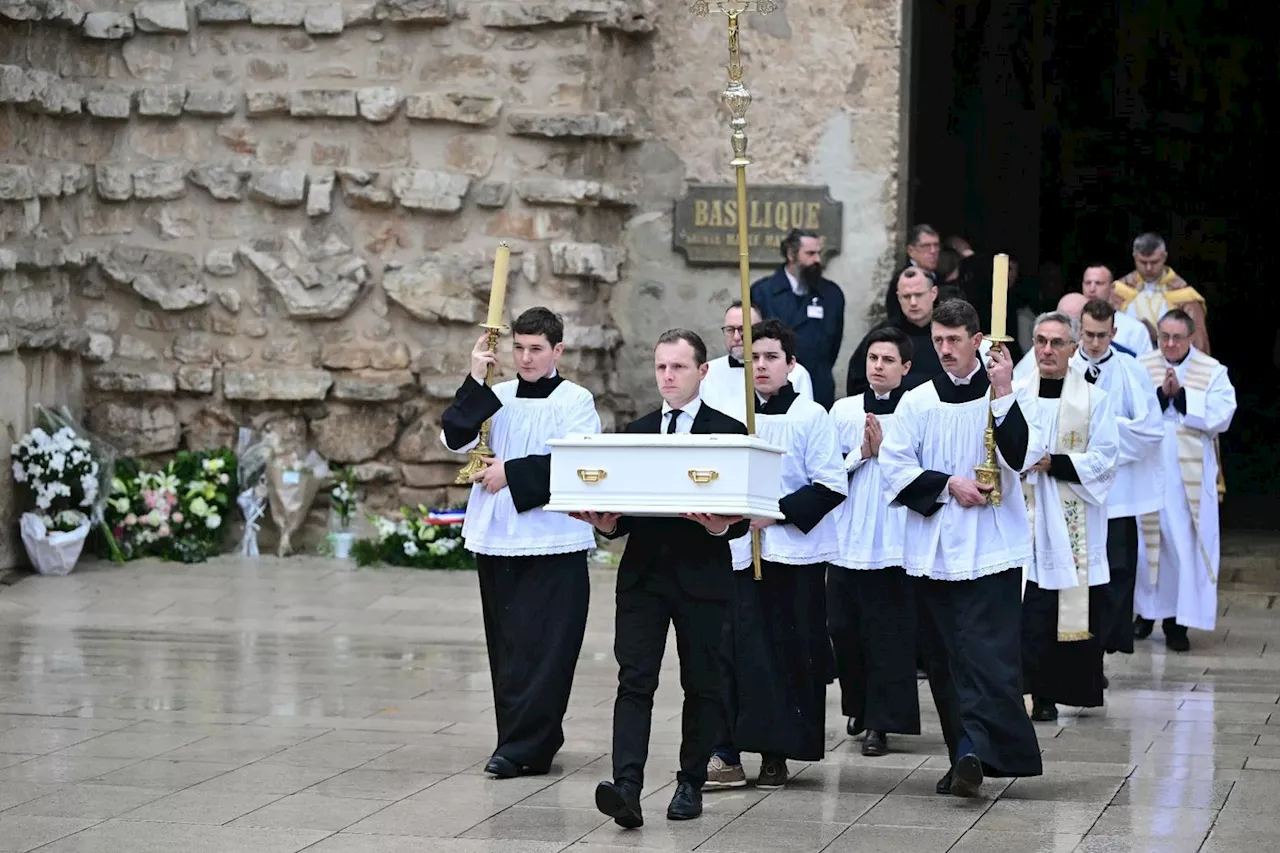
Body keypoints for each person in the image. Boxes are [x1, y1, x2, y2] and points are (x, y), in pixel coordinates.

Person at [574, 330, 750, 829]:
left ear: (702, 371)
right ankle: (626, 786)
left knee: (702, 683)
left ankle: (690, 782)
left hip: (703, 577)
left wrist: (723, 525)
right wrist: (607, 523)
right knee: (634, 681)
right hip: (644, 578)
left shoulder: (728, 431)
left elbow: (744, 508)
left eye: (678, 367)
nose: (668, 377)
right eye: (661, 367)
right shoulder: (638, 430)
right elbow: (628, 508)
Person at [878, 298, 1043, 797]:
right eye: (938, 341)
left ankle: (978, 750)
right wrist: (950, 483)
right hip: (934, 551)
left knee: (986, 657)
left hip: (992, 547)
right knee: (946, 659)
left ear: (978, 341)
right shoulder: (918, 401)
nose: (945, 350)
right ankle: (962, 755)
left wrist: (1004, 391)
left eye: (954, 341)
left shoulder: (1008, 393)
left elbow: (1022, 456)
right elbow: (894, 466)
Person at [439, 306, 600, 778]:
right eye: (519, 348)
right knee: (508, 644)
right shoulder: (498, 394)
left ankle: (532, 744)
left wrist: (512, 472)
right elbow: (454, 438)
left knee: (549, 644)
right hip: (497, 535)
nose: (526, 358)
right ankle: (514, 739)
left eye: (536, 349)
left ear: (557, 351)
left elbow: (579, 462)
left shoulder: (577, 400)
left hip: (555, 537)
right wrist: (474, 379)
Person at [709, 319, 846, 790]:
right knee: (733, 651)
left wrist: (776, 514)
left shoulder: (810, 417)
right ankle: (725, 751)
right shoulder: (732, 415)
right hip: (739, 554)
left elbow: (831, 485)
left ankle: (776, 752)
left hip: (791, 556)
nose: (761, 366)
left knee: (785, 653)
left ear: (791, 364)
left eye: (770, 357)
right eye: (754, 358)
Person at [1018, 311, 1119, 723]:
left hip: (1068, 516)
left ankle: (1050, 693)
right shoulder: (1014, 394)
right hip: (1022, 517)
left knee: (1061, 608)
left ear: (1073, 348)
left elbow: (1107, 458)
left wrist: (1053, 463)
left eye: (1057, 342)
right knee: (1028, 609)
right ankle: (1022, 691)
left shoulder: (1094, 399)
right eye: (1041, 340)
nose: (1046, 349)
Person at [829, 326, 919, 757]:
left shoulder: (917, 411)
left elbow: (922, 469)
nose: (878, 367)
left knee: (888, 633)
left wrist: (885, 454)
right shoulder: (843, 411)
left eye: (887, 360)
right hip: (849, 534)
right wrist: (860, 455)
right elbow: (826, 470)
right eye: (872, 359)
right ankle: (858, 705)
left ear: (906, 367)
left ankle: (881, 723)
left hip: (894, 536)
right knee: (844, 629)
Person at [1133, 309, 1236, 651]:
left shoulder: (1211, 369)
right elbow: (1126, 411)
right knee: (1146, 544)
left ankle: (1177, 623)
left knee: (1183, 545)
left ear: (1191, 337)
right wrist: (1161, 396)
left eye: (1178, 337)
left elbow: (1223, 414)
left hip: (1188, 477)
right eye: (1164, 337)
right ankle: (1144, 614)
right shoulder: (1140, 365)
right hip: (1148, 469)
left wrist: (1183, 397)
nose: (1171, 344)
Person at [1071, 299, 1164, 658]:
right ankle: (1081, 649)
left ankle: (1107, 642)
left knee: (1118, 568)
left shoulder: (1131, 369)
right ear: (1079, 329)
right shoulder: (1059, 365)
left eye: (1102, 336)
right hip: (1075, 486)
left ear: (1114, 332)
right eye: (1088, 334)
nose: (1094, 343)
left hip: (1118, 489)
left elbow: (1149, 430)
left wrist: (1104, 437)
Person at [750, 229, 845, 408]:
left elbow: (834, 344)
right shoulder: (762, 292)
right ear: (791, 254)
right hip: (774, 388)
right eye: (810, 253)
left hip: (818, 385)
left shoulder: (832, 294)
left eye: (819, 253)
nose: (817, 260)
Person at [702, 300, 813, 423]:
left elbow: (804, 418)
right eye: (730, 329)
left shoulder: (796, 372)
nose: (737, 337)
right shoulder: (708, 372)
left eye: (744, 329)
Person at [848, 268, 942, 396]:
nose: (913, 302)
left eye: (919, 295)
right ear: (898, 297)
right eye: (906, 296)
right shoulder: (882, 335)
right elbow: (857, 383)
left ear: (933, 293)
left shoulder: (949, 333)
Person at [1113, 233, 1211, 353]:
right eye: (1143, 262)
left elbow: (1198, 344)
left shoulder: (1185, 296)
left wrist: (1158, 337)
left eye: (1154, 262)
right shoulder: (1118, 291)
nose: (1148, 268)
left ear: (1164, 257)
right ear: (1134, 257)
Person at [1080, 264, 1154, 355]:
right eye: (1088, 283)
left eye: (1099, 283)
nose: (1092, 289)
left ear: (1112, 288)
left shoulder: (1135, 329)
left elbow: (1146, 365)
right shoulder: (1066, 324)